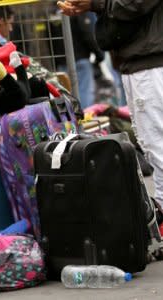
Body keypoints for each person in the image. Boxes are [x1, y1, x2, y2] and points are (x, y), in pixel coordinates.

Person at [58, 0, 163, 217]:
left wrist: (95, 3)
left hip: (149, 63)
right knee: (153, 147)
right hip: (142, 61)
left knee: (157, 148)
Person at [71, 12, 105, 108]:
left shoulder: (53, 11)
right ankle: (86, 119)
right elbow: (88, 34)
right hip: (81, 59)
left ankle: (73, 120)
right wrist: (99, 55)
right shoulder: (76, 9)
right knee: (85, 91)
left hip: (62, 62)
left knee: (69, 94)